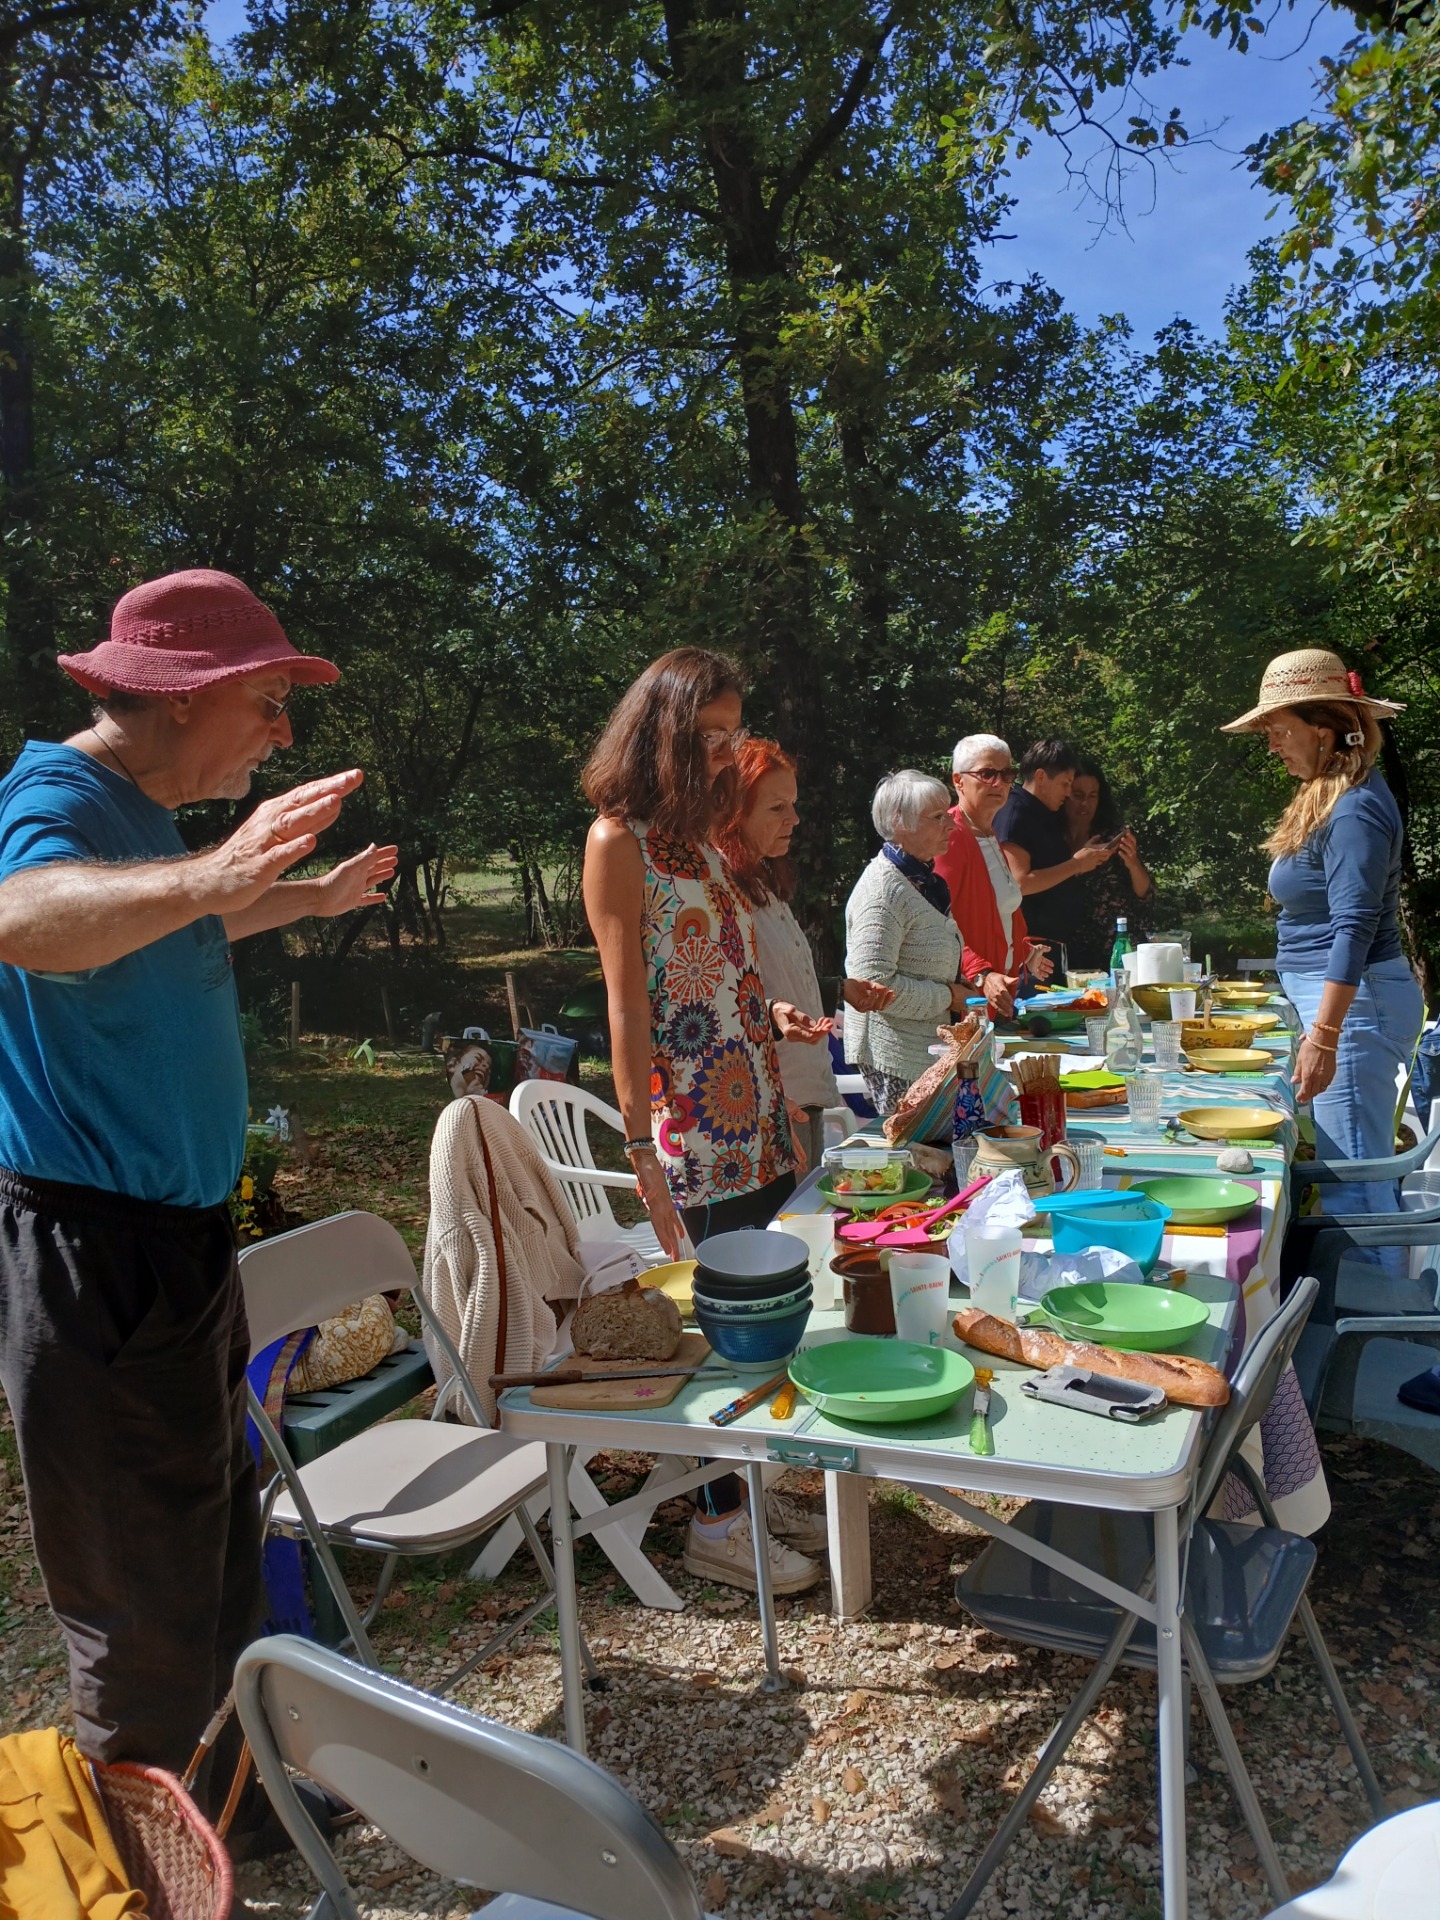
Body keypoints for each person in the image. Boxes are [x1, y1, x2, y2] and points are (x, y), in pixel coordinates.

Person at [0, 570, 396, 1811]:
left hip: (172, 1245)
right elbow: (25, 918)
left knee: (218, 1543)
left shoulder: (141, 810)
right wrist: (212, 876)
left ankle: (241, 1811)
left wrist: (293, 897)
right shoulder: (55, 795)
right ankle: (145, 1862)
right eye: (270, 703)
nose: (285, 731)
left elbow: (165, 931)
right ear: (181, 698)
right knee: (139, 1600)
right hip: (90, 1256)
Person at [581, 650, 831, 1594]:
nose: (728, 751)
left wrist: (770, 1023)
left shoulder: (696, 841)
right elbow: (628, 1005)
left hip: (754, 1107)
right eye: (711, 734)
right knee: (720, 1325)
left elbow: (715, 973)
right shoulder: (622, 842)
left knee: (765, 1313)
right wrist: (640, 1142)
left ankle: (752, 1487)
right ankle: (719, 1523)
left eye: (734, 731)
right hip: (693, 1124)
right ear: (665, 734)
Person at [1221, 649, 1422, 1242]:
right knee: (1347, 1170)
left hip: (1356, 1011)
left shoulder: (1356, 808)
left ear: (1325, 731)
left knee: (1355, 1179)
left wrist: (1325, 1037)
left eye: (1280, 731)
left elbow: (1354, 928)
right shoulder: (1332, 795)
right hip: (1346, 1007)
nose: (1272, 745)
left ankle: (1383, 1322)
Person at [714, 736, 894, 1169]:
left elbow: (775, 977)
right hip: (770, 1100)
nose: (794, 819)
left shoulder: (761, 879)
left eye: (792, 805)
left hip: (804, 1088)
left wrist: (838, 989)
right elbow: (722, 998)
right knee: (791, 1225)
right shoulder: (720, 888)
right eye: (777, 808)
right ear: (734, 812)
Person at [843, 770, 967, 1115]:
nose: (951, 825)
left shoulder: (921, 880)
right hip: (895, 1057)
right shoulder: (883, 890)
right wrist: (947, 996)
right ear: (900, 823)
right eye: (938, 817)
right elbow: (871, 986)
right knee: (918, 1160)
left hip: (923, 1051)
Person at [934, 732, 1052, 1020]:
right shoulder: (949, 837)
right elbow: (939, 922)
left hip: (996, 1002)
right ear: (958, 781)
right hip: (965, 1006)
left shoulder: (988, 833)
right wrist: (981, 975)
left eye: (1006, 773)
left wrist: (1025, 951)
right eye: (987, 774)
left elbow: (993, 917)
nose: (999, 783)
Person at [994, 737, 1111, 952]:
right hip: (1029, 950)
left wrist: (1082, 855)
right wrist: (1076, 864)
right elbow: (1020, 883)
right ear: (1040, 777)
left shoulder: (1043, 812)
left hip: (1051, 946)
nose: (1067, 793)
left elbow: (1046, 866)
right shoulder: (1016, 813)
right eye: (1065, 784)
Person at [1061, 752, 1154, 968]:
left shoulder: (1112, 835)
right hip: (1071, 948)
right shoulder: (1051, 839)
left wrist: (1133, 863)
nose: (1085, 803)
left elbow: (1145, 894)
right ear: (1064, 794)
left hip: (1118, 946)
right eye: (1078, 795)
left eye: (1093, 796)